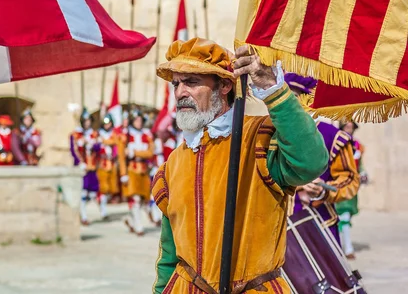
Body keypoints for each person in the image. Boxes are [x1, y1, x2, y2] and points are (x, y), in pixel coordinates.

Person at [151, 38, 328, 293]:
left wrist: (272, 89)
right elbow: (170, 254)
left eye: (191, 82)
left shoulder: (260, 137)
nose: (179, 92)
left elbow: (311, 162)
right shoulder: (172, 165)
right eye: (176, 83)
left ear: (224, 85)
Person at [284, 74, 361, 242]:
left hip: (319, 226)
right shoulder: (269, 132)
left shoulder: (333, 137)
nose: (287, 101)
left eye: (294, 96)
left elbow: (350, 180)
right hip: (276, 226)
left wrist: (323, 190)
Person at [336, 119, 367, 259]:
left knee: (346, 215)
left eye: (351, 126)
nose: (349, 128)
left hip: (352, 184)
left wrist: (363, 173)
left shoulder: (357, 145)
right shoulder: (335, 143)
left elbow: (360, 165)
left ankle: (344, 246)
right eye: (346, 126)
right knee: (342, 215)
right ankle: (346, 247)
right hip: (338, 183)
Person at [120, 109, 154, 236]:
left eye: (140, 120)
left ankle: (131, 220)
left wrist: (135, 153)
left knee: (144, 199)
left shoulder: (147, 135)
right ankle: (139, 226)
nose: (139, 122)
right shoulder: (125, 136)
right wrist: (123, 174)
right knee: (135, 198)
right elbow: (121, 156)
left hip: (143, 171)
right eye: (136, 120)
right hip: (131, 170)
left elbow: (150, 152)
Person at [70, 109, 100, 225]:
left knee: (92, 193)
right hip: (82, 166)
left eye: (89, 121)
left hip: (92, 166)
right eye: (85, 121)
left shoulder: (94, 134)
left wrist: (94, 144)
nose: (87, 123)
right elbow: (73, 150)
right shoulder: (75, 135)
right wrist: (79, 162)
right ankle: (83, 216)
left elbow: (98, 149)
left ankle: (81, 209)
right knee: (82, 191)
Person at [96, 114, 119, 219]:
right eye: (105, 123)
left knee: (111, 188)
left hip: (111, 163)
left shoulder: (114, 134)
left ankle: (103, 205)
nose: (107, 125)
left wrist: (105, 142)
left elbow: (116, 145)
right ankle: (103, 210)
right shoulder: (98, 134)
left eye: (109, 123)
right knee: (103, 188)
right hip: (102, 163)